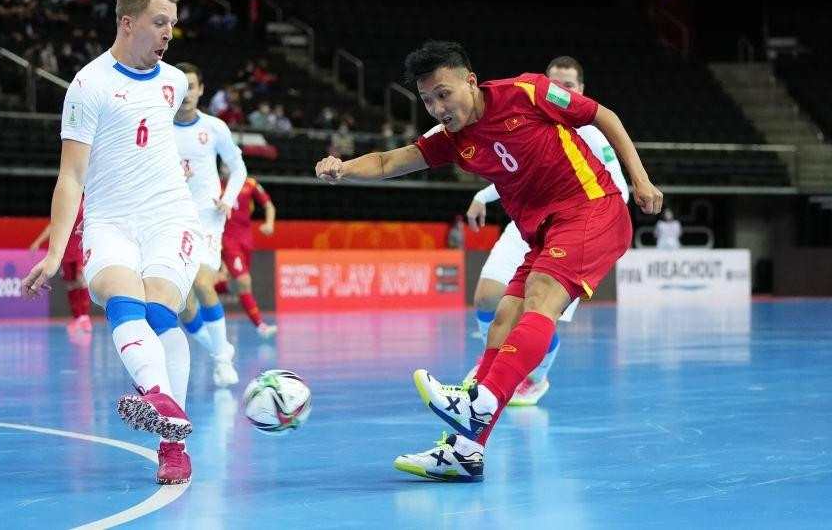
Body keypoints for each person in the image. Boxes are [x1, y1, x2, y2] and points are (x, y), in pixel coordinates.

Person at [314, 40, 662, 483]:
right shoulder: (452, 140)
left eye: (444, 93)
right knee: (503, 320)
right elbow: (387, 160)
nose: (438, 106)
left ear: (470, 82)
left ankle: (481, 400)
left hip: (591, 207)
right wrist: (342, 168)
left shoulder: (528, 92)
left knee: (539, 298)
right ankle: (467, 450)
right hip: (541, 230)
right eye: (427, 100)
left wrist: (641, 179)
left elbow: (603, 116)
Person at [22, 0, 202, 485]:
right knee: (123, 301)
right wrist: (57, 253)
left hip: (169, 216)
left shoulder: (175, 82)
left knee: (161, 310)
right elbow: (71, 175)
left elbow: (152, 139)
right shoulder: (88, 85)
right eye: (159, 22)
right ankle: (163, 402)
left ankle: (172, 442)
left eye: (173, 24)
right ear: (128, 22)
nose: (169, 33)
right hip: (110, 219)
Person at [462, 56, 630, 408]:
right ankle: (490, 367)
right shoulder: (529, 115)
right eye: (555, 83)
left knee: (537, 312)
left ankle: (535, 378)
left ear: (580, 90)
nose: (560, 90)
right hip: (525, 221)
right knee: (485, 298)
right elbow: (509, 171)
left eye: (568, 85)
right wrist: (482, 195)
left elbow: (619, 189)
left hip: (573, 223)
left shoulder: (590, 132)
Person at [171, 62, 249, 388]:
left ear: (201, 90)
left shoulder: (215, 128)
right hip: (170, 220)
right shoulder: (158, 129)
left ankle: (221, 362)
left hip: (207, 220)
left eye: (192, 86)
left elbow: (238, 168)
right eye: (181, 87)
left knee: (204, 283)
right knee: (181, 305)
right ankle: (220, 348)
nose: (187, 93)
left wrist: (228, 200)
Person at [215, 168, 278, 338]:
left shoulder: (250, 183)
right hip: (227, 241)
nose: (225, 168)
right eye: (223, 165)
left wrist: (270, 224)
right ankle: (260, 326)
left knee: (230, 284)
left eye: (230, 164)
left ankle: (202, 291)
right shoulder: (214, 184)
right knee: (244, 281)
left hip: (246, 241)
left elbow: (269, 206)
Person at [30, 196, 92, 341]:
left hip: (80, 251)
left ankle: (85, 318)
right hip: (65, 253)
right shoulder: (65, 201)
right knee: (71, 285)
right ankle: (77, 318)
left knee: (81, 280)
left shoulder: (87, 201)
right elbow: (53, 225)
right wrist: (38, 241)